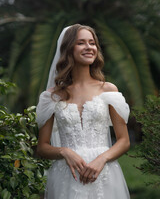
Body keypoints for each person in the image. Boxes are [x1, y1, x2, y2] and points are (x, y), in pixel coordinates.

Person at [36, 24, 130, 199]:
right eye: (81, 43)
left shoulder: (108, 90)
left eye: (92, 43)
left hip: (104, 173)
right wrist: (64, 151)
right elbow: (42, 147)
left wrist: (101, 159)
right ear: (68, 49)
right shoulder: (52, 96)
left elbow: (124, 141)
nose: (89, 47)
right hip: (67, 175)